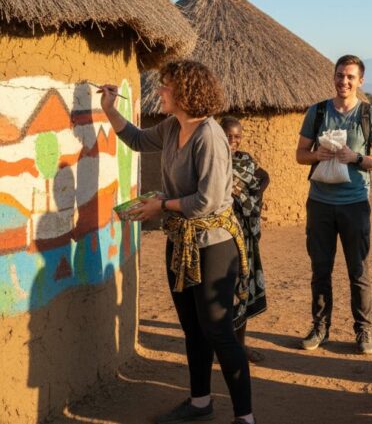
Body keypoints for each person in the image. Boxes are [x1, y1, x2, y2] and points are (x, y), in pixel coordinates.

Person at [99, 61, 255, 424]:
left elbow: (208, 201)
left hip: (213, 246)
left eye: (166, 87)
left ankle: (245, 418)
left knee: (218, 330)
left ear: (186, 92)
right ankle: (201, 402)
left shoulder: (210, 136)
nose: (160, 92)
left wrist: (161, 205)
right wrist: (109, 109)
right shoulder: (173, 127)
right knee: (193, 328)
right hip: (181, 241)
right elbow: (137, 140)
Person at [295, 55, 372, 354]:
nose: (343, 81)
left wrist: (357, 159)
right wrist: (317, 155)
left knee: (358, 270)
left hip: (355, 203)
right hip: (320, 203)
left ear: (360, 81)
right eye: (339, 75)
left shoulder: (368, 115)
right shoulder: (318, 111)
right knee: (320, 269)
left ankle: (363, 331)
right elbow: (300, 154)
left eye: (350, 77)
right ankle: (320, 327)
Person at [221, 116, 270, 363]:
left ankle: (239, 345)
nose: (233, 141)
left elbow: (265, 176)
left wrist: (253, 198)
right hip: (222, 235)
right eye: (228, 136)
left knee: (241, 288)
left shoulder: (245, 160)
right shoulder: (214, 160)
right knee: (221, 291)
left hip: (245, 236)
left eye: (237, 136)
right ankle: (222, 347)